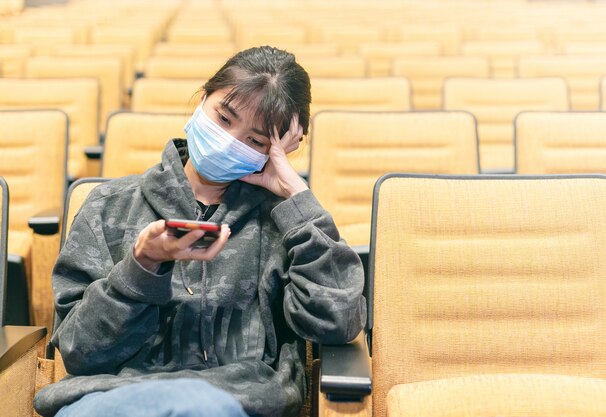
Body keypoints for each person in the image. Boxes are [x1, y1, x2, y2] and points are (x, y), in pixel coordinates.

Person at [34, 46, 366, 417]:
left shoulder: (285, 222)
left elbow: (337, 321)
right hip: (111, 399)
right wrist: (140, 268)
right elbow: (80, 351)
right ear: (202, 98)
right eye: (223, 118)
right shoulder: (108, 206)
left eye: (255, 141)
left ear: (283, 149)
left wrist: (297, 197)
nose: (229, 141)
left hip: (235, 399)